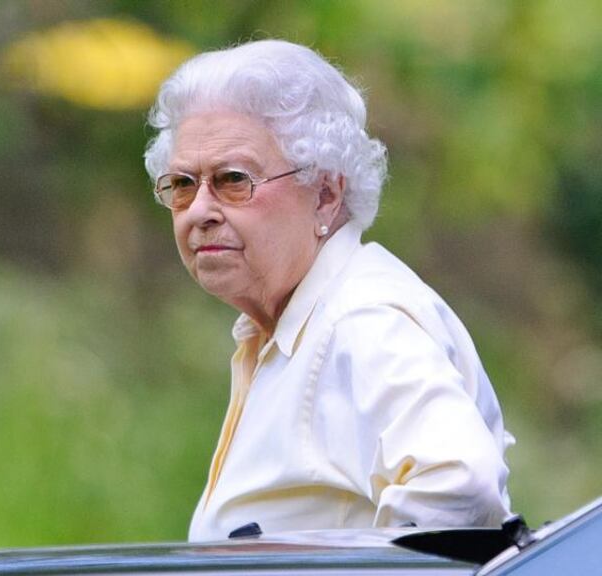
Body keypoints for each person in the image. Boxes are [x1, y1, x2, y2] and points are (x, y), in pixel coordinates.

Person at [143, 40, 514, 541]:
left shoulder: (362, 323)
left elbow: (461, 488)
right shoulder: (299, 325)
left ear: (325, 194)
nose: (200, 210)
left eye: (232, 180)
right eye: (183, 184)